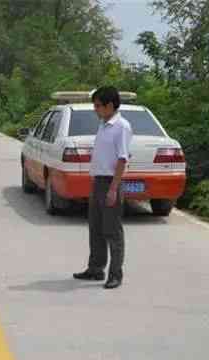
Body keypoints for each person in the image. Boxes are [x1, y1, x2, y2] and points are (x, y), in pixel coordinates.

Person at [74, 86, 132, 289]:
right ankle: (95, 268)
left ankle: (115, 274)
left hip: (111, 182)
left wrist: (114, 189)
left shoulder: (121, 127)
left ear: (109, 105)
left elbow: (122, 160)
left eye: (98, 105)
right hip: (98, 181)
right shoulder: (104, 124)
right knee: (96, 228)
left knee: (112, 230)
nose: (95, 109)